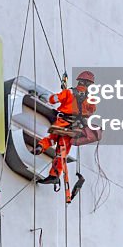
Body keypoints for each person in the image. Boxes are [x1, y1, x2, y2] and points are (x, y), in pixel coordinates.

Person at [33, 70, 99, 203]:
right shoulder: (89, 98)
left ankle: (41, 147)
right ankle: (54, 174)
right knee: (62, 153)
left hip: (62, 123)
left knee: (52, 139)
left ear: (79, 81)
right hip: (76, 127)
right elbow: (92, 110)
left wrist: (59, 95)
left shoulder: (69, 92)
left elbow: (53, 100)